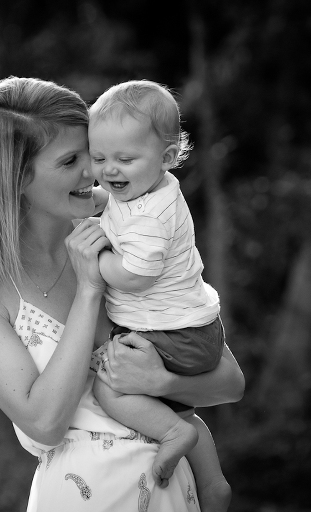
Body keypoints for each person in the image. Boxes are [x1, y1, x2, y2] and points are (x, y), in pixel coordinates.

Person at [0, 76, 244, 511]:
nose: (95, 171)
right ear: (15, 177)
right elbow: (44, 424)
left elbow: (230, 383)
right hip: (85, 495)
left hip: (174, 489)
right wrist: (89, 290)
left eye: (92, 151)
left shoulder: (131, 223)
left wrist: (164, 382)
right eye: (70, 161)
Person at [88, 79, 231, 511]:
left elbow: (134, 275)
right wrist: (91, 200)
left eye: (124, 159)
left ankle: (174, 435)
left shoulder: (152, 216)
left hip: (172, 335)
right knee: (180, 409)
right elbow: (115, 205)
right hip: (195, 327)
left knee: (110, 387)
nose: (110, 170)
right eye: (99, 158)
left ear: (168, 157)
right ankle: (213, 482)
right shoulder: (150, 188)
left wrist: (96, 259)